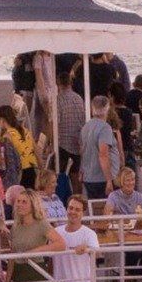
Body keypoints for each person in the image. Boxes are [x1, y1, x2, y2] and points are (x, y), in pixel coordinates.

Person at [100, 165, 142, 282]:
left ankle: (133, 277)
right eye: (128, 180)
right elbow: (106, 216)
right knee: (133, 252)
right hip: (119, 234)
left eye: (133, 180)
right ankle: (127, 278)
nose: (131, 183)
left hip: (136, 234)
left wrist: (140, 220)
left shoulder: (140, 197)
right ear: (121, 182)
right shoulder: (114, 196)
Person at [79, 94, 120, 204]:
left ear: (92, 108)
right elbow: (103, 154)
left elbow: (83, 151)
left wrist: (81, 170)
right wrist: (109, 180)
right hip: (101, 178)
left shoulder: (86, 127)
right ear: (107, 108)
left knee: (93, 208)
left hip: (88, 176)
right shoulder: (105, 128)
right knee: (104, 210)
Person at [53, 66, 85, 198]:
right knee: (75, 176)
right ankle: (78, 200)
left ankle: (63, 201)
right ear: (70, 82)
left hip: (63, 143)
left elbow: (55, 123)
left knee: (61, 177)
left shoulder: (58, 100)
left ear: (58, 83)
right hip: (77, 142)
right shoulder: (79, 98)